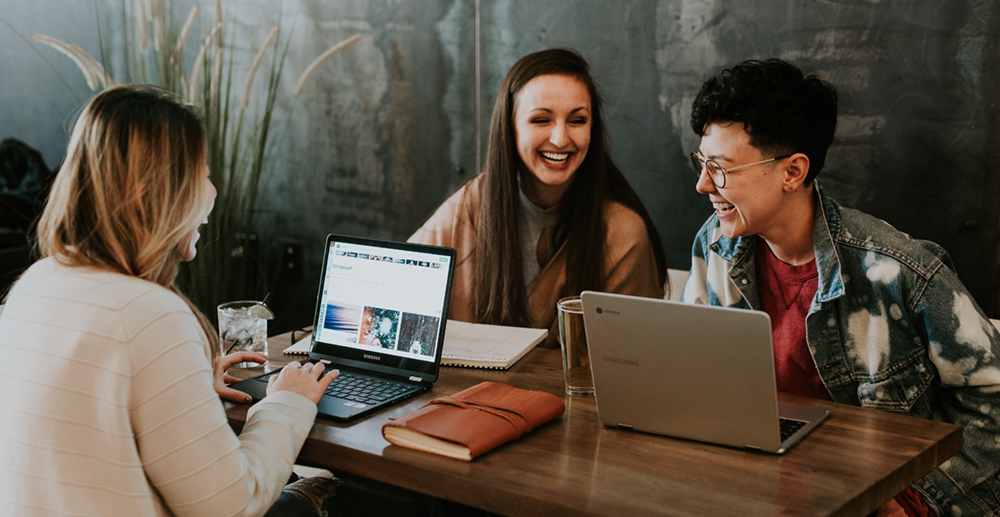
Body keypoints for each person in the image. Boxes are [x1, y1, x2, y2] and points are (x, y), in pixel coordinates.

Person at [0, 85, 341, 516]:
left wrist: (186, 382)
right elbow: (232, 506)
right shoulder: (149, 315)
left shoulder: (34, 284)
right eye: (200, 177)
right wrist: (287, 403)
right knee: (327, 491)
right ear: (148, 195)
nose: (213, 193)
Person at [681, 58, 1000, 516]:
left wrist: (915, 499)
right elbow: (689, 375)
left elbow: (992, 399)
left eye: (720, 168)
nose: (702, 184)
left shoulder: (900, 271)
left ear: (792, 172)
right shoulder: (714, 245)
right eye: (701, 162)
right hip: (753, 484)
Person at [410, 48, 667, 347]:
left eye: (578, 120)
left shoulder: (623, 233)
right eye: (541, 120)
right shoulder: (470, 205)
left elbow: (634, 361)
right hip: (463, 393)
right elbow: (395, 288)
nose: (560, 139)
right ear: (510, 128)